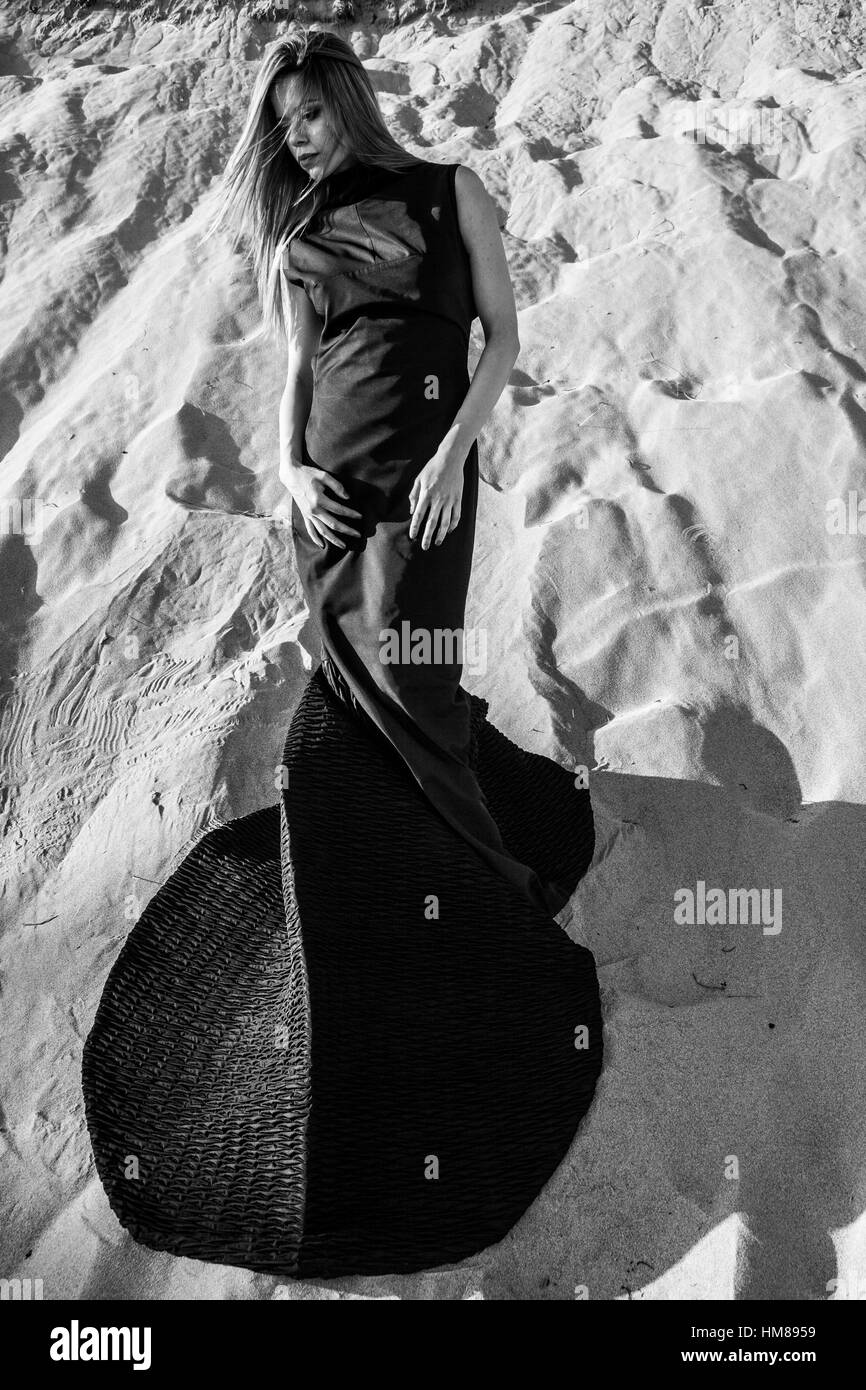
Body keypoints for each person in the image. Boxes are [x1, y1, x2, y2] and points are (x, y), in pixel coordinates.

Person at [212, 24, 576, 916]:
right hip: (330, 495)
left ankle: (488, 895)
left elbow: (502, 337)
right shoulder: (299, 231)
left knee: (415, 678)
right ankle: (392, 884)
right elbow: (301, 369)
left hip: (427, 480)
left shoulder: (450, 192)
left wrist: (454, 456)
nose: (295, 135)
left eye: (309, 113)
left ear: (348, 103)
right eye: (282, 122)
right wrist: (290, 473)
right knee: (356, 689)